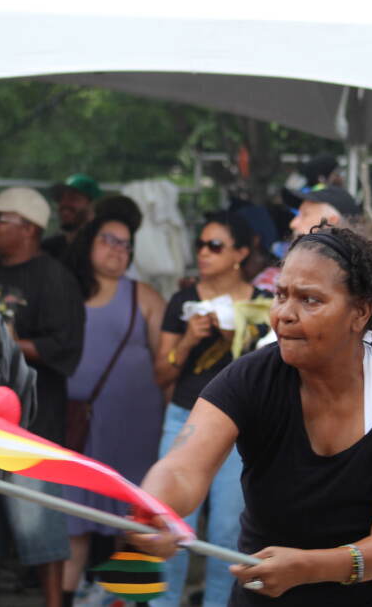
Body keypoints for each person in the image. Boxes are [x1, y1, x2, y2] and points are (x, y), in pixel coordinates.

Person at [130, 224, 372, 605]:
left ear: (361, 312)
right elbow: (183, 466)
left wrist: (311, 568)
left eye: (310, 300)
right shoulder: (252, 377)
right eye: (280, 295)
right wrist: (155, 508)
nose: (284, 314)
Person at [0, 187, 84, 607]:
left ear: (28, 228)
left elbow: (67, 348)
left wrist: (13, 343)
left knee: (41, 534)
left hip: (34, 430)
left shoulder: (56, 279)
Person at [151, 212, 272, 607]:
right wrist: (187, 341)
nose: (203, 253)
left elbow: (278, 373)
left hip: (242, 430)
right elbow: (160, 374)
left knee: (226, 532)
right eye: (200, 245)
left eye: (214, 245)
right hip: (184, 419)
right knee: (170, 525)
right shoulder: (184, 300)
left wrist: (244, 338)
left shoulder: (264, 305)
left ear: (240, 253)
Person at [59, 203, 167, 605]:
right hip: (78, 429)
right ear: (89, 242)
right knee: (74, 524)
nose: (118, 250)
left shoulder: (146, 296)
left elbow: (165, 367)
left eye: (126, 245)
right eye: (109, 240)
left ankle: (131, 599)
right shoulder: (64, 292)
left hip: (135, 431)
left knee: (134, 522)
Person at [42, 174, 102, 262]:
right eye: (60, 199)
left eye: (73, 198)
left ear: (92, 206)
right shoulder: (48, 248)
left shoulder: (100, 249)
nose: (64, 204)